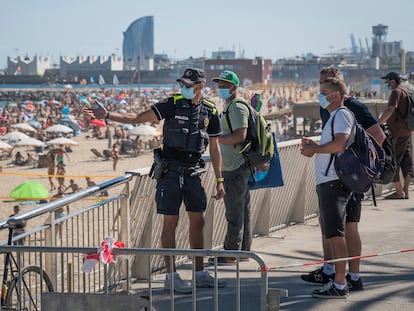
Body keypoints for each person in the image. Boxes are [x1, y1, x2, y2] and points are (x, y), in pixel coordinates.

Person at [84, 68, 226, 294]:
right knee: (170, 224)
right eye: (182, 85)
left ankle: (199, 273)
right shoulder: (171, 104)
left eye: (188, 85)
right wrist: (108, 115)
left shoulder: (210, 109)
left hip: (193, 172)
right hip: (169, 171)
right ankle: (171, 277)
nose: (184, 88)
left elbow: (215, 147)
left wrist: (220, 179)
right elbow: (137, 118)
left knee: (198, 221)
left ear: (200, 86)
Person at [301, 67, 386, 291]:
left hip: (345, 178)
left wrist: (355, 163)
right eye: (320, 83)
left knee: (346, 229)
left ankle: (348, 278)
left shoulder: (350, 108)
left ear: (337, 87)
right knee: (333, 228)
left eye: (325, 85)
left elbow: (377, 135)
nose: (320, 90)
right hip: (338, 177)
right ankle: (332, 272)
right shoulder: (331, 111)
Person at [301, 77, 354, 298]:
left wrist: (316, 150)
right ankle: (337, 279)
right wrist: (315, 146)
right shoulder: (335, 116)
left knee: (335, 234)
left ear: (334, 95)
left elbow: (340, 143)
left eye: (323, 92)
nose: (319, 95)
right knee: (332, 232)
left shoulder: (341, 114)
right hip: (329, 181)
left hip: (333, 181)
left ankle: (340, 284)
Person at [210, 70, 251, 265]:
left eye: (225, 85)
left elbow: (240, 136)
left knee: (234, 211)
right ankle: (242, 251)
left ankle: (230, 253)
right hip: (235, 164)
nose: (222, 89)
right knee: (241, 209)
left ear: (234, 87)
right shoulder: (230, 105)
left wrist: (215, 139)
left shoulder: (236, 107)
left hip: (235, 166)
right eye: (220, 85)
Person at [379, 71, 413, 199]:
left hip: (398, 132)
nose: (386, 84)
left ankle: (399, 192)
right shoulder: (406, 91)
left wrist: (379, 122)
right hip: (407, 131)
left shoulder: (396, 92)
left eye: (387, 81)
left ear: (392, 81)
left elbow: (391, 108)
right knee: (407, 162)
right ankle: (405, 191)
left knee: (392, 161)